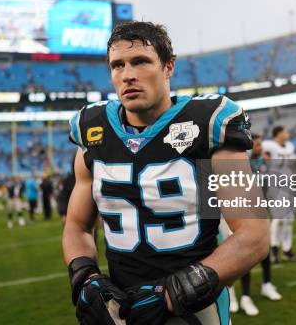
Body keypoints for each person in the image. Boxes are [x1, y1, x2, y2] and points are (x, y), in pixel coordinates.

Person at [62, 21, 269, 324]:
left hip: (192, 306)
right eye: (117, 65)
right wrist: (84, 275)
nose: (128, 75)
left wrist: (174, 293)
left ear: (169, 67)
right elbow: (78, 226)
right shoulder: (94, 131)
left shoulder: (206, 125)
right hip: (120, 305)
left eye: (141, 61)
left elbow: (254, 236)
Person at [227, 134, 282, 316]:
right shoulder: (242, 165)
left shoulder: (263, 163)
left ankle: (266, 285)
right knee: (242, 255)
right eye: (257, 145)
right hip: (241, 213)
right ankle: (239, 296)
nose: (260, 148)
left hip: (260, 210)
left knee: (264, 250)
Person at [262, 126, 296, 263]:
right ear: (278, 134)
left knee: (289, 219)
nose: (287, 133)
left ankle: (287, 249)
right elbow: (259, 152)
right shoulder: (269, 145)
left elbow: (291, 165)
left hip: (289, 185)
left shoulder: (290, 146)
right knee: (278, 218)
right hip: (276, 186)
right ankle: (274, 249)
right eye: (285, 131)